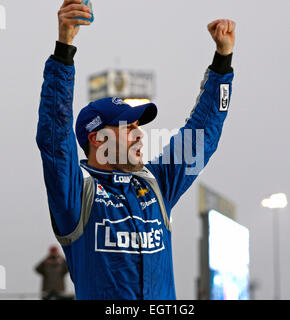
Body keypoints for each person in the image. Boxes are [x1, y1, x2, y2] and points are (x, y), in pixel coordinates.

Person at [36, 0, 236, 300]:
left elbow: (202, 135)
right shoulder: (76, 196)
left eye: (137, 127)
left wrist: (223, 62)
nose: (139, 134)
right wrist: (64, 50)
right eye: (127, 127)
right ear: (98, 140)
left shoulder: (156, 183)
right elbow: (54, 135)